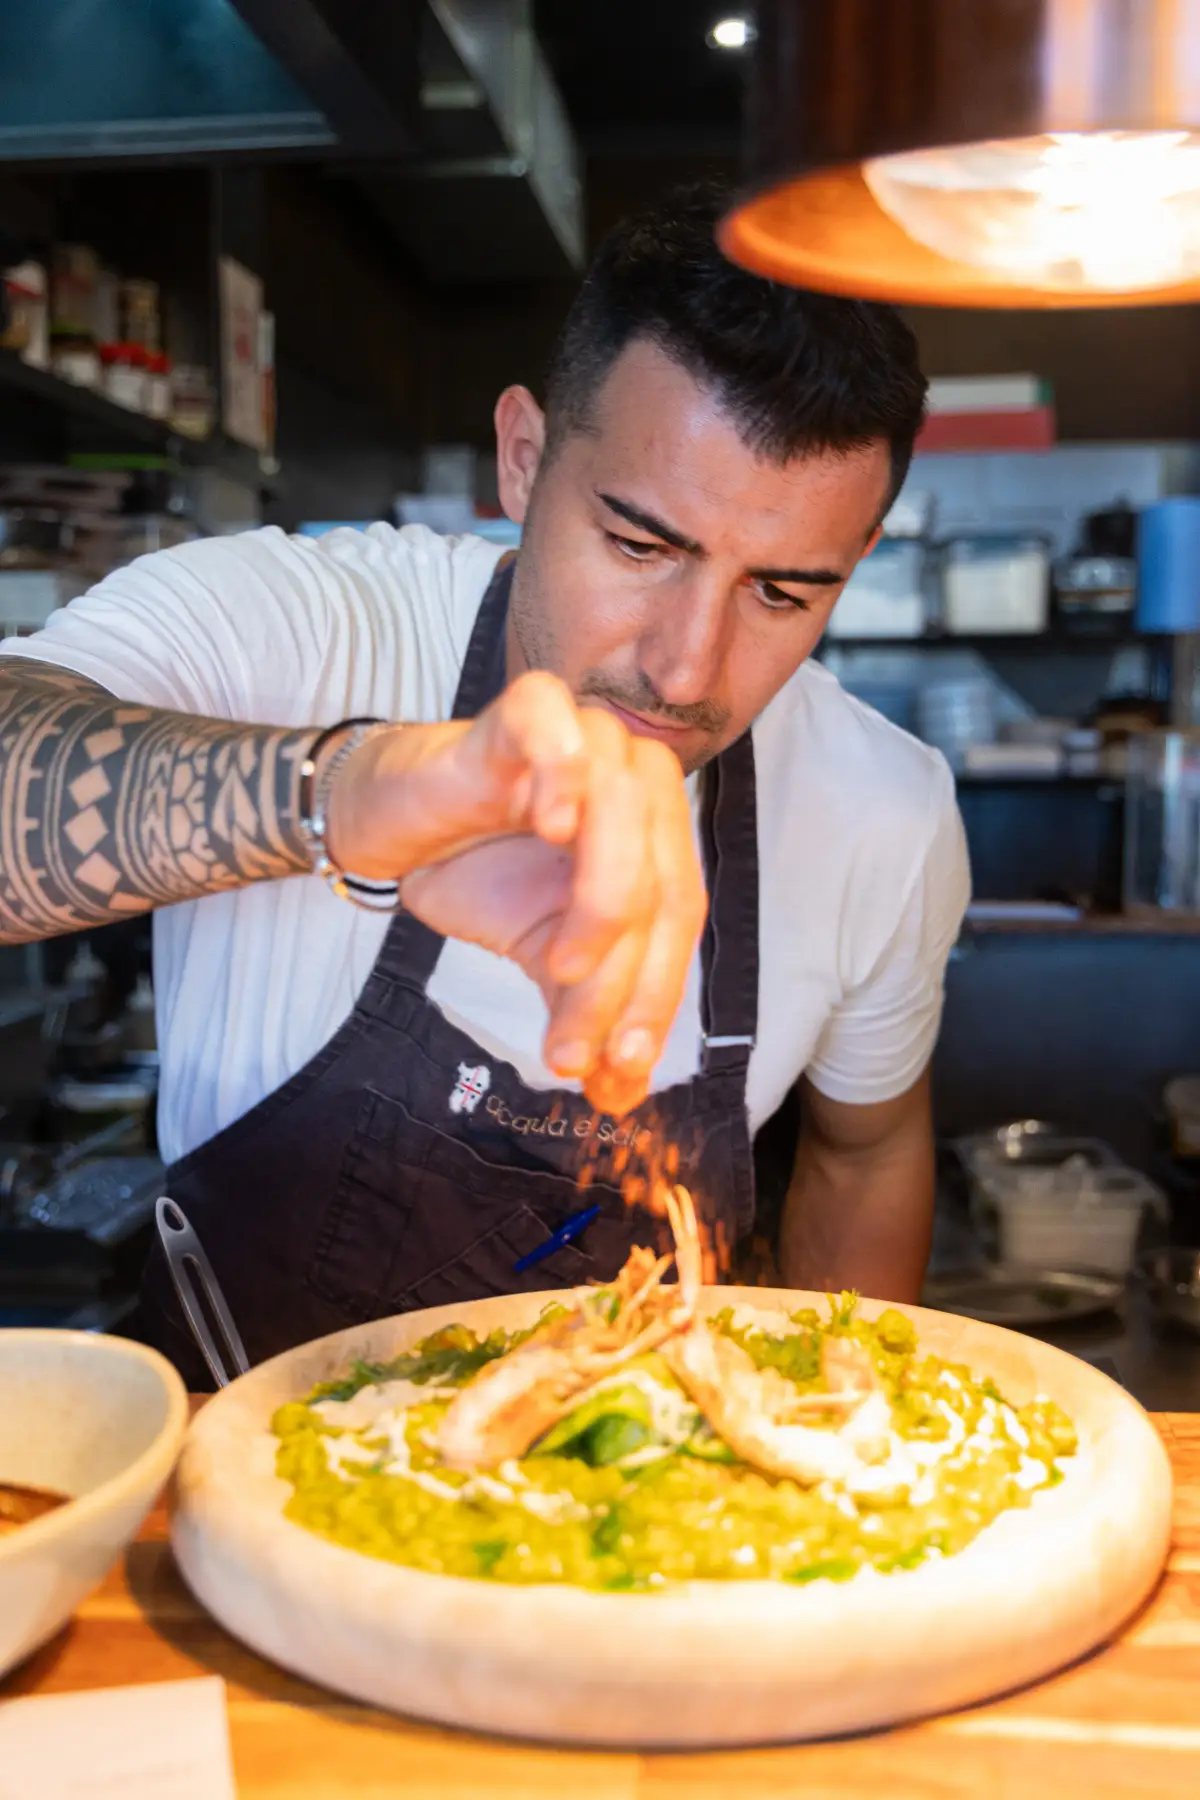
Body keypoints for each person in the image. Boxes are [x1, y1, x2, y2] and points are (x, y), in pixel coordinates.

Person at [0, 182, 968, 1381]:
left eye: (781, 593)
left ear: (856, 561)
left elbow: (866, 1155)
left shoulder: (884, 811)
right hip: (233, 1470)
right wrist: (354, 791)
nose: (686, 668)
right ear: (524, 459)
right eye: (640, 546)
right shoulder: (298, 630)